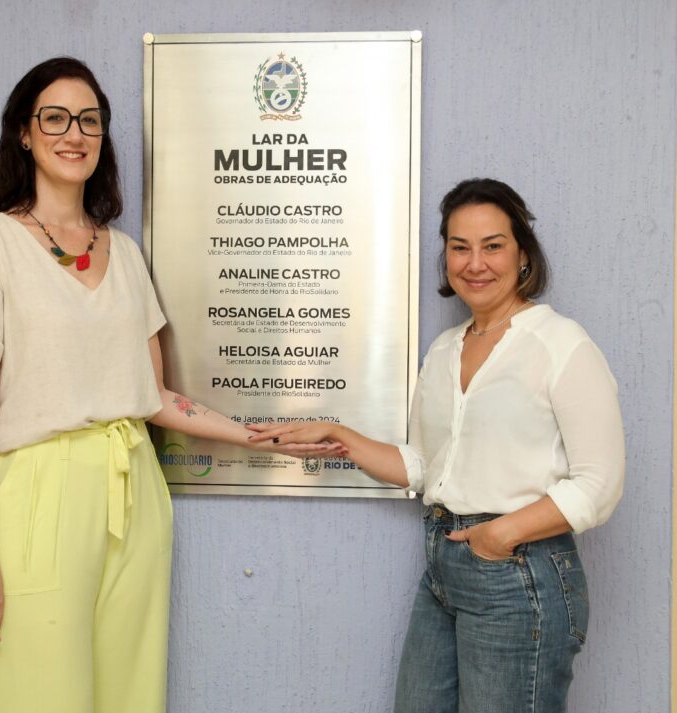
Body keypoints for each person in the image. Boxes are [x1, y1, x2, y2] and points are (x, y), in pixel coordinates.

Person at [0, 56, 338, 713]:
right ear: (24, 134)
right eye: (55, 118)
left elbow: (153, 395)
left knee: (130, 693)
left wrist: (263, 437)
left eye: (89, 120)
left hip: (133, 490)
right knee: (31, 694)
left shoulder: (123, 254)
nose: (75, 133)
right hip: (39, 490)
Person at [248, 178, 625, 713]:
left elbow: (599, 485)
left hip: (519, 574)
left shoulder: (561, 344)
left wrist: (498, 536)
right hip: (444, 567)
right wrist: (339, 434)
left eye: (493, 246)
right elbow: (427, 468)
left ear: (523, 254)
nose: (475, 263)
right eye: (459, 247)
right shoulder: (446, 348)